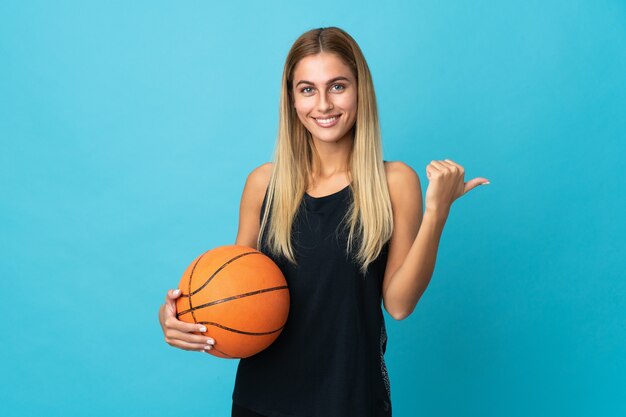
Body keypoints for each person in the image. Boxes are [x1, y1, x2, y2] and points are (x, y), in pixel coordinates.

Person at [158, 26, 489, 417]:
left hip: (351, 400)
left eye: (337, 86)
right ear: (292, 99)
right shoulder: (263, 184)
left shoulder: (395, 181)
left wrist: (437, 213)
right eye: (307, 89)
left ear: (359, 89)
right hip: (261, 402)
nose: (323, 104)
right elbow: (229, 294)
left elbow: (399, 305)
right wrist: (178, 317)